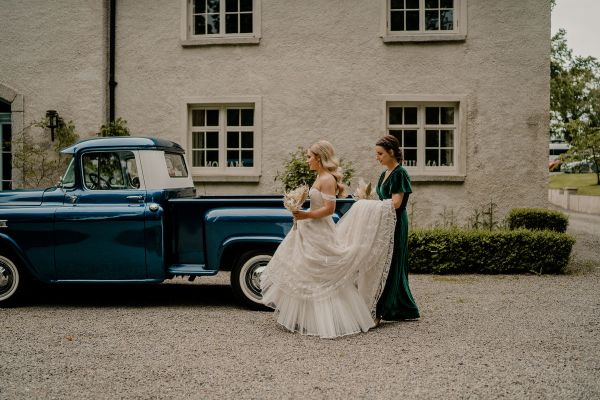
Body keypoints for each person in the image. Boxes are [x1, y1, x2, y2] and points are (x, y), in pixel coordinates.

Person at [260, 140, 397, 339]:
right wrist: (302, 211)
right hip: (311, 228)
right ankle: (307, 318)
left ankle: (332, 320)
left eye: (309, 157)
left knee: (320, 273)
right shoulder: (319, 177)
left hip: (320, 231)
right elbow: (318, 206)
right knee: (306, 270)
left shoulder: (328, 179)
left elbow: (329, 210)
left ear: (319, 158)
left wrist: (305, 215)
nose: (307, 160)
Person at [373, 135, 420, 325]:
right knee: (385, 263)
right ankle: (402, 307)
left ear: (391, 152)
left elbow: (396, 203)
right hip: (385, 222)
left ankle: (383, 309)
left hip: (396, 222)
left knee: (391, 263)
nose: (377, 157)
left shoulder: (400, 173)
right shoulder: (384, 174)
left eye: (380, 153)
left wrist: (372, 208)